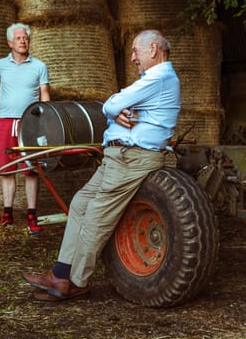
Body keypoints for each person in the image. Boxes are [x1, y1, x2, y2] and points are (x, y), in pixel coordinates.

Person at [22, 29, 181, 301]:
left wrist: (113, 110)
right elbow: (116, 108)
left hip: (133, 158)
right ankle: (60, 273)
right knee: (80, 203)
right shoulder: (152, 81)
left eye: (135, 51)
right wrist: (115, 112)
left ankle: (73, 281)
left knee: (95, 214)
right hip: (118, 157)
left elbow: (112, 103)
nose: (132, 58)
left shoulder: (161, 78)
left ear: (153, 49)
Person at [0, 22, 51, 235]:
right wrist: (1, 94)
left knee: (31, 169)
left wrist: (45, 121)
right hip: (5, 122)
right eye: (19, 38)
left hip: (29, 123)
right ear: (10, 42)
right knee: (6, 170)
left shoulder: (39, 66)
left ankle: (32, 215)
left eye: (26, 38)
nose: (23, 41)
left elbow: (45, 95)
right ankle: (7, 215)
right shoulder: (1, 65)